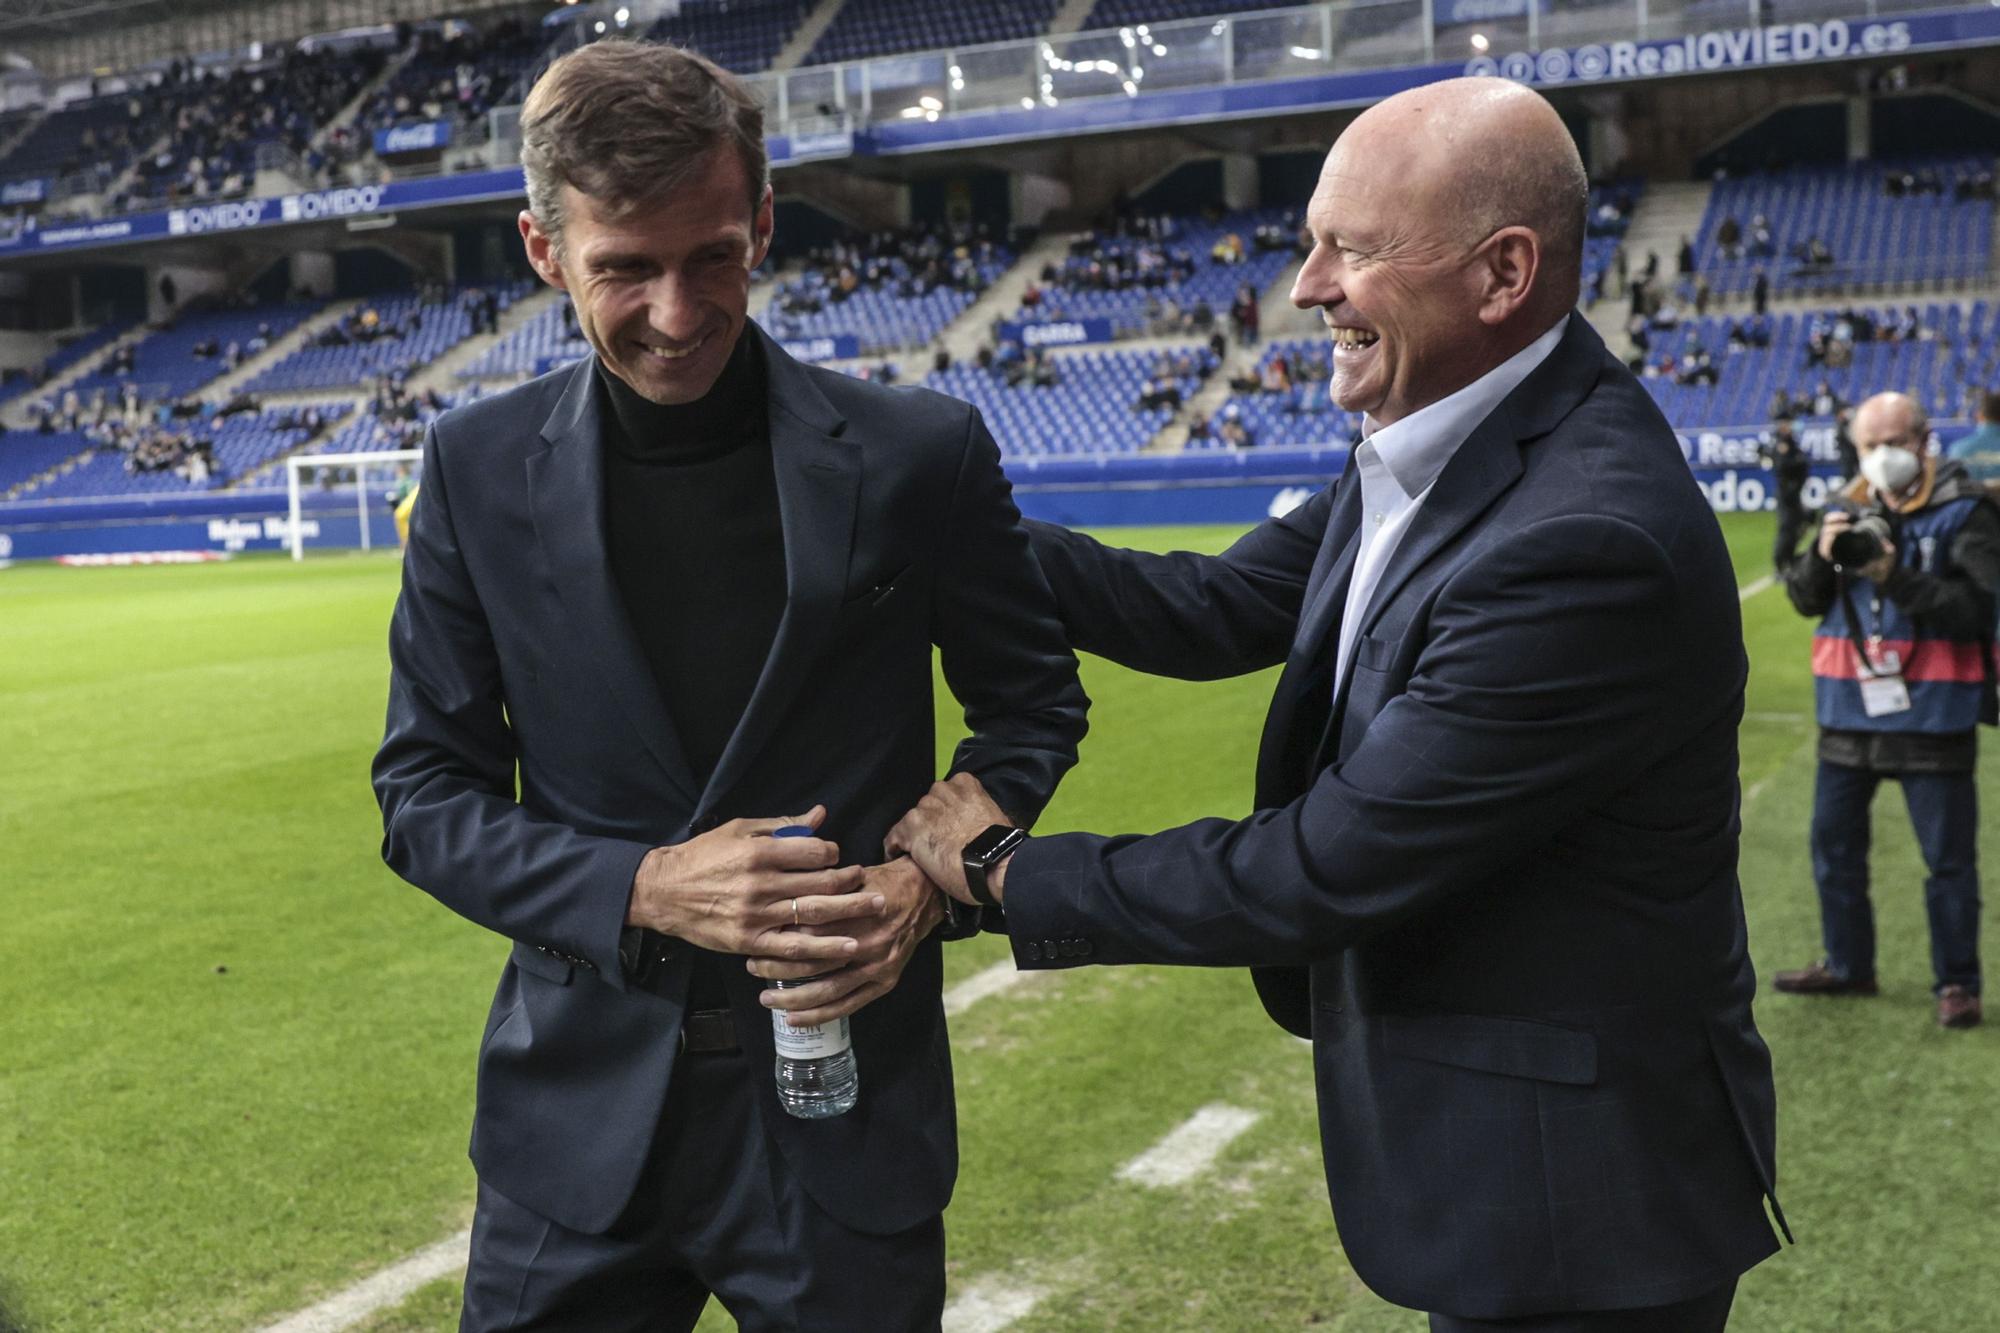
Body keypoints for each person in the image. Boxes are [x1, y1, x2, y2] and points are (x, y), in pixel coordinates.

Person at [886, 78, 1786, 1331]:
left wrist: (1000, 869)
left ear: (1501, 273)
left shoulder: (1582, 538)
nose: (1302, 288)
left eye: (1348, 250)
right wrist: (944, 531)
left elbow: (1321, 866)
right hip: (1517, 1168)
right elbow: (1208, 612)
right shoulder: (1442, 436)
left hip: (1579, 1200)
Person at [370, 41, 1087, 1330]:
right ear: (543, 252)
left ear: (760, 219)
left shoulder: (916, 454)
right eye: (622, 270)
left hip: (846, 1123)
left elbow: (1032, 704)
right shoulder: (474, 471)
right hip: (574, 1132)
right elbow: (423, 796)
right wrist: (639, 885)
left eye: (711, 255)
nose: (677, 311)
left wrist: (926, 883)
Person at [1773, 392, 1996, 1030]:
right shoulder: (1846, 507)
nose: (1881, 457)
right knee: (1833, 847)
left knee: (1947, 859)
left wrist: (1895, 576)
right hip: (1847, 710)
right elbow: (1806, 602)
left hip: (1934, 712)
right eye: (1869, 446)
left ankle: (1957, 983)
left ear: (1925, 441)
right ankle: (1848, 965)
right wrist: (1823, 553)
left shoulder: (1966, 512)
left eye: (1894, 442)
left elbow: (1980, 611)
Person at [1762, 415, 1812, 572]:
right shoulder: (1781, 444)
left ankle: (1789, 559)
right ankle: (1780, 563)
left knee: (1800, 524)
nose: (1791, 426)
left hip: (1794, 493)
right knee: (1786, 528)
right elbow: (1783, 465)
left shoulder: (1790, 443)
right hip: (1786, 494)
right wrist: (1799, 462)